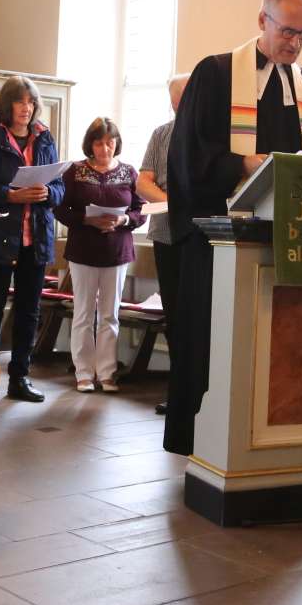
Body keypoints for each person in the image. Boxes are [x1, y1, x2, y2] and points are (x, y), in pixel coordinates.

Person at [162, 0, 302, 454]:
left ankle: (273, 438)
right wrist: (241, 164)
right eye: (287, 31)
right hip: (219, 239)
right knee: (214, 344)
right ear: (263, 21)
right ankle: (204, 439)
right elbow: (187, 157)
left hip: (284, 242)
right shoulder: (216, 75)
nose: (295, 43)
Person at [0, 76, 63, 404]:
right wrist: (10, 195)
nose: (26, 108)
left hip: (36, 238)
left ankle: (19, 377)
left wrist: (48, 192)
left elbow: (61, 188)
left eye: (31, 102)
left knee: (29, 311)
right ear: (6, 106)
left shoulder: (45, 139)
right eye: (20, 102)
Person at [54, 118, 144, 392]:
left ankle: (106, 373)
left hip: (117, 251)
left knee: (109, 314)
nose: (105, 148)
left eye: (110, 142)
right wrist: (86, 219)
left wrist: (123, 221)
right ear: (90, 145)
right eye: (99, 142)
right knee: (83, 312)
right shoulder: (75, 172)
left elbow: (140, 211)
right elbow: (59, 208)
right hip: (83, 250)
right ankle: (83, 373)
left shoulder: (129, 172)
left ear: (116, 143)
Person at [136, 74, 191, 415]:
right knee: (174, 314)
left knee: (195, 314)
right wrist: (173, 203)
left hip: (200, 234)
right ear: (172, 103)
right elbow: (143, 182)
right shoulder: (162, 134)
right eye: (180, 99)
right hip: (166, 232)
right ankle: (179, 390)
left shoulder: (213, 135)